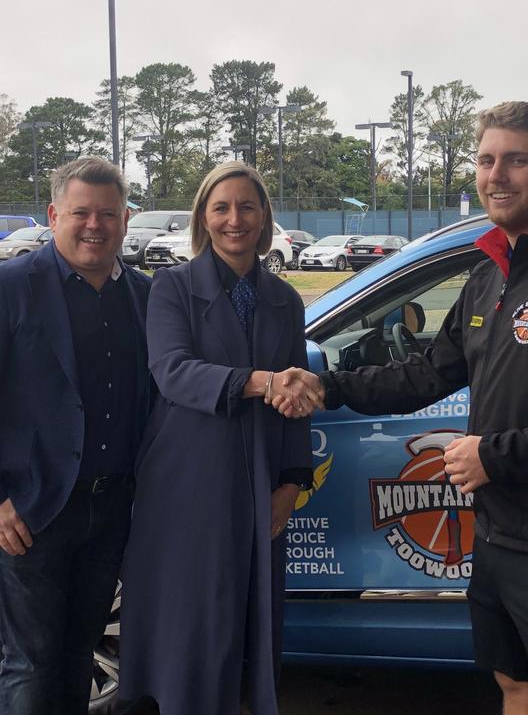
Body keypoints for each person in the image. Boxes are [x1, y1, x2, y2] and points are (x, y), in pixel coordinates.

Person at [305, 102, 528, 715]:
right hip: (500, 533)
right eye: (487, 159)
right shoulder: (488, 277)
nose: (497, 175)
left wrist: (495, 457)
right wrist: (327, 387)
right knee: (515, 685)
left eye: (517, 160)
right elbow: (427, 372)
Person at [0, 156, 152, 714]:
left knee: (78, 655)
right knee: (32, 662)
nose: (94, 225)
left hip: (111, 514)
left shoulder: (148, 298)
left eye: (107, 214)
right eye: (81, 212)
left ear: (126, 220)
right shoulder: (5, 289)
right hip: (28, 515)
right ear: (54, 215)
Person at [117, 161, 317, 715]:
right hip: (188, 476)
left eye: (247, 207)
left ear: (265, 218)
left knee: (251, 617)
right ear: (204, 218)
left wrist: (294, 482)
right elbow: (173, 370)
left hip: (261, 476)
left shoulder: (285, 299)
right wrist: (261, 382)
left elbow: (296, 402)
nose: (235, 219)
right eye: (222, 207)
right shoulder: (172, 288)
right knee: (192, 616)